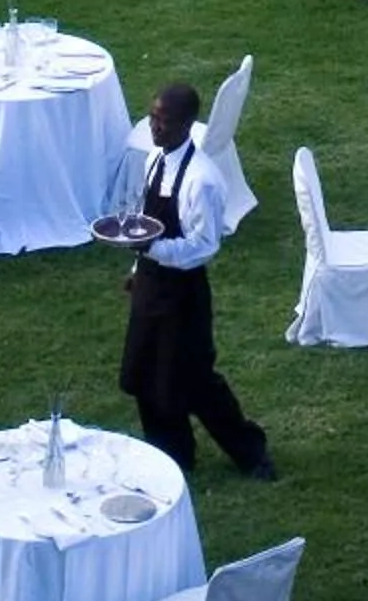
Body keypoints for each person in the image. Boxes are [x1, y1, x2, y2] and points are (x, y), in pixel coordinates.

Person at [118, 82, 276, 480]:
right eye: (153, 117)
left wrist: (149, 250)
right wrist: (139, 270)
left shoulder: (202, 180)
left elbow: (203, 246)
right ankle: (170, 453)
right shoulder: (155, 160)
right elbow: (147, 216)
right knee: (143, 373)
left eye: (164, 121)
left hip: (183, 293)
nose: (155, 128)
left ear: (187, 125)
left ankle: (250, 451)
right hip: (152, 286)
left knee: (194, 380)